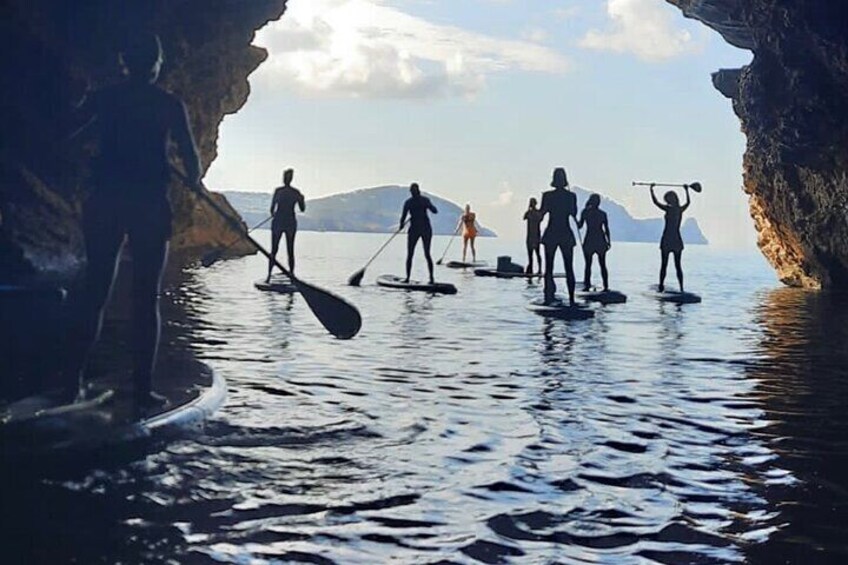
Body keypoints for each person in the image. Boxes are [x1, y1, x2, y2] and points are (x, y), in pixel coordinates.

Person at [68, 33, 201, 410]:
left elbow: (69, 132)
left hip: (105, 200)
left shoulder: (103, 98)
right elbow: (192, 165)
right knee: (146, 299)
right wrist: (192, 177)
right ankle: (143, 391)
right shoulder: (169, 104)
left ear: (124, 62)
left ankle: (71, 384)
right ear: (157, 65)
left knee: (95, 291)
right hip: (148, 205)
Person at [540, 167, 578, 305]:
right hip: (565, 233)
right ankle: (572, 299)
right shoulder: (571, 196)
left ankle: (548, 296)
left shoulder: (547, 196)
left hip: (551, 233)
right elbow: (573, 213)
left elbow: (542, 214)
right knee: (569, 267)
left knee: (548, 267)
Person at [267, 168, 305, 282]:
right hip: (290, 222)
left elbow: (272, 209)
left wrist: (274, 214)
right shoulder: (296, 192)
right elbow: (302, 209)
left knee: (274, 249)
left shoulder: (278, 191)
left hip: (279, 221)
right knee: (290, 249)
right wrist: (302, 199)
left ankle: (268, 275)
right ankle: (291, 275)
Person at [650, 183, 691, 292]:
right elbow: (688, 202)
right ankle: (681, 288)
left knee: (664, 265)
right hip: (677, 240)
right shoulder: (680, 209)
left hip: (667, 239)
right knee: (678, 265)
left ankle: (661, 286)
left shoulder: (668, 209)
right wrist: (686, 190)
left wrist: (651, 190)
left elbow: (655, 202)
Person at [400, 183, 438, 284]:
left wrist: (401, 225)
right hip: (417, 229)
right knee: (412, 254)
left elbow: (434, 211)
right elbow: (403, 217)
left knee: (424, 254)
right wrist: (401, 224)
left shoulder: (418, 201)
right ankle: (409, 278)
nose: (413, 193)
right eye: (412, 191)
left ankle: (431, 278)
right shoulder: (415, 201)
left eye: (413, 191)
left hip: (423, 229)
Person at [577, 193, 611, 291]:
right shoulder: (602, 214)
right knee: (602, 264)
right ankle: (606, 286)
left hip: (590, 240)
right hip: (600, 240)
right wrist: (608, 241)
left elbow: (580, 226)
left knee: (588, 265)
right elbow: (606, 229)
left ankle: (587, 285)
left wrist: (576, 220)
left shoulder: (585, 212)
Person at [523, 197, 543, 274]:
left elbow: (525, 217)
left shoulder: (532, 213)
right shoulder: (531, 213)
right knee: (532, 254)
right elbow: (524, 218)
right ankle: (532, 269)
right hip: (531, 236)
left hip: (534, 236)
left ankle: (539, 269)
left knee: (536, 254)